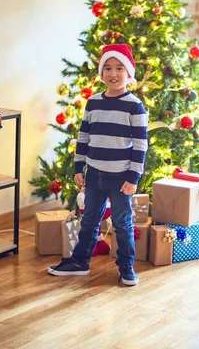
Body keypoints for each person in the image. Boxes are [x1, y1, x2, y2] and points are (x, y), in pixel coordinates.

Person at [48, 44, 148, 286]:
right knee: (90, 219)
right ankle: (80, 261)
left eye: (119, 68)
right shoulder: (93, 103)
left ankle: (126, 266)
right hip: (94, 174)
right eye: (108, 68)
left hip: (121, 177)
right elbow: (83, 138)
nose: (113, 74)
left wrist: (133, 178)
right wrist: (78, 168)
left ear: (129, 73)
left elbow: (140, 145)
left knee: (123, 223)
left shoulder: (135, 106)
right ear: (102, 73)